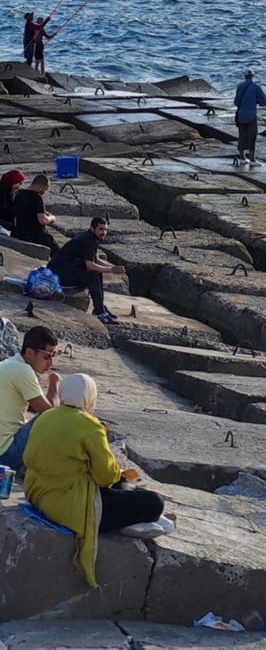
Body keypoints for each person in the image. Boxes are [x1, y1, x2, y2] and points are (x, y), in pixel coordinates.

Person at [24, 373, 171, 587]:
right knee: (154, 502)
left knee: (123, 484)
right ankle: (134, 522)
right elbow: (105, 476)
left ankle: (131, 516)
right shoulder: (89, 426)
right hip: (70, 504)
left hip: (38, 493)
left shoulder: (46, 416)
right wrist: (103, 443)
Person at [0, 325, 60, 470]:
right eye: (46, 357)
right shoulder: (23, 370)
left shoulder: (8, 364)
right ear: (29, 353)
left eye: (54, 356)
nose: (50, 364)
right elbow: (50, 414)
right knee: (56, 420)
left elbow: (33, 406)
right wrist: (54, 384)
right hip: (6, 453)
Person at [49, 217, 126, 323]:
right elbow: (90, 265)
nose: (103, 232)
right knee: (93, 276)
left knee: (98, 273)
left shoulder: (90, 238)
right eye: (100, 229)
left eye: (105, 230)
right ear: (92, 228)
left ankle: (100, 308)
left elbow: (96, 260)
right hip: (57, 275)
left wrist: (113, 267)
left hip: (65, 271)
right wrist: (112, 270)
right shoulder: (89, 240)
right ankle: (100, 313)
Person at [13, 173, 59, 256]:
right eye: (45, 190)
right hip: (35, 235)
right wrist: (52, 218)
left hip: (20, 232)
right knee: (58, 252)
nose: (44, 192)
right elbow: (42, 220)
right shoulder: (36, 198)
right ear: (42, 187)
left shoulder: (19, 194)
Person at [234, 69, 266, 165]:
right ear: (253, 76)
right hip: (251, 116)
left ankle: (242, 157)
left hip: (240, 115)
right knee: (252, 136)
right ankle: (252, 159)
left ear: (245, 76)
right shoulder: (256, 88)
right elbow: (263, 103)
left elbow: (236, 102)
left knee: (242, 136)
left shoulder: (240, 87)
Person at [0, 169, 26, 234]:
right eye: (19, 183)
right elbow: (4, 210)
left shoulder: (10, 192)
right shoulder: (2, 193)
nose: (20, 186)